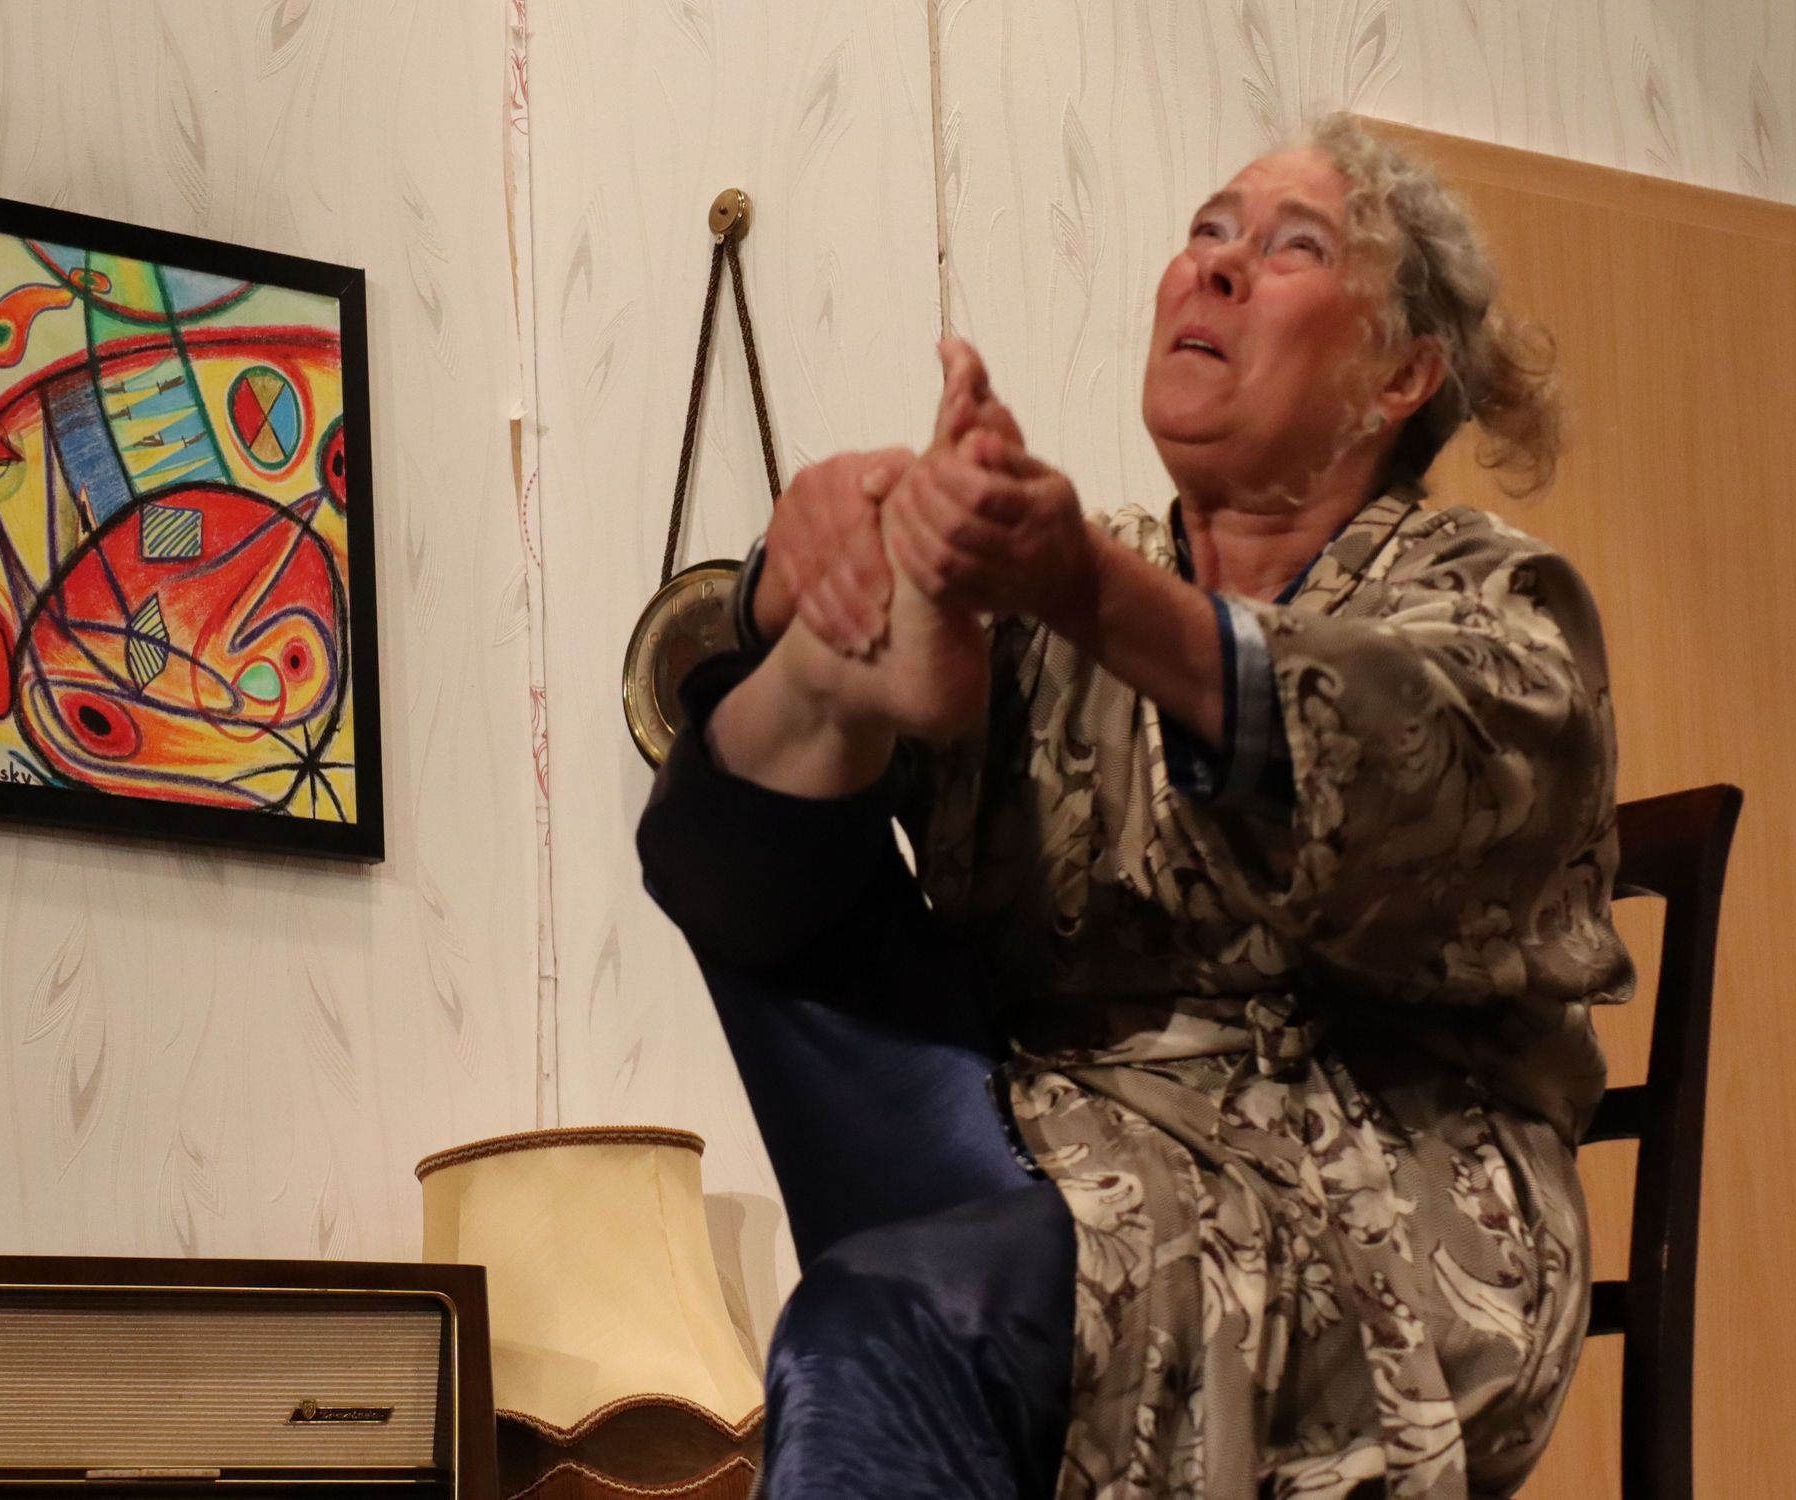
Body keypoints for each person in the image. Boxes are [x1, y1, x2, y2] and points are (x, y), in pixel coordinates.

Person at [638, 113, 1629, 1500]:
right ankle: (833, 674)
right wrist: (793, 585)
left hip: (1352, 1227)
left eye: (1291, 248)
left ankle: (836, 681)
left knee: (878, 1329)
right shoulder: (1062, 576)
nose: (1215, 266)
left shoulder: (1490, 601)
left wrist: (1087, 592)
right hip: (1028, 1152)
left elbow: (1407, 753)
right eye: (1208, 231)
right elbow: (710, 806)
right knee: (785, 871)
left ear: (1400, 375)